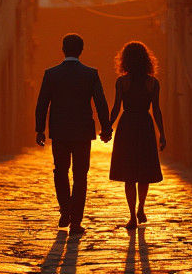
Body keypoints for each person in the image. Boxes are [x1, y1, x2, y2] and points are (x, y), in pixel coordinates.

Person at [35, 33, 112, 235]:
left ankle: (64, 210)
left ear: (63, 49)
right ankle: (76, 221)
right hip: (82, 133)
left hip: (59, 132)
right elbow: (101, 102)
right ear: (81, 50)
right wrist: (106, 128)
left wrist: (39, 129)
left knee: (60, 172)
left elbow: (42, 103)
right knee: (80, 176)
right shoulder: (90, 74)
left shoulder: (51, 74)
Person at [108, 41, 166, 230]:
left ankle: (132, 216)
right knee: (144, 171)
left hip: (127, 126)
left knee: (129, 174)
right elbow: (156, 110)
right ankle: (141, 207)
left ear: (125, 60)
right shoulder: (152, 83)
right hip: (145, 125)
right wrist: (162, 133)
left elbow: (116, 108)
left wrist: (108, 127)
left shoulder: (122, 82)